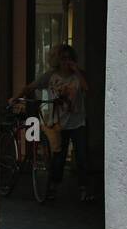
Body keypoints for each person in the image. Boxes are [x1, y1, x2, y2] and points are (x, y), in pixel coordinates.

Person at [12, 43, 92, 202]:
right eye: (63, 59)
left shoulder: (77, 75)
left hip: (78, 122)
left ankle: (84, 189)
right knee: (59, 158)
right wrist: (16, 97)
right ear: (57, 60)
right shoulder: (50, 76)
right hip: (58, 123)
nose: (66, 62)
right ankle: (53, 187)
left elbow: (86, 88)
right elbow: (31, 87)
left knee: (82, 156)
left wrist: (76, 70)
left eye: (69, 59)